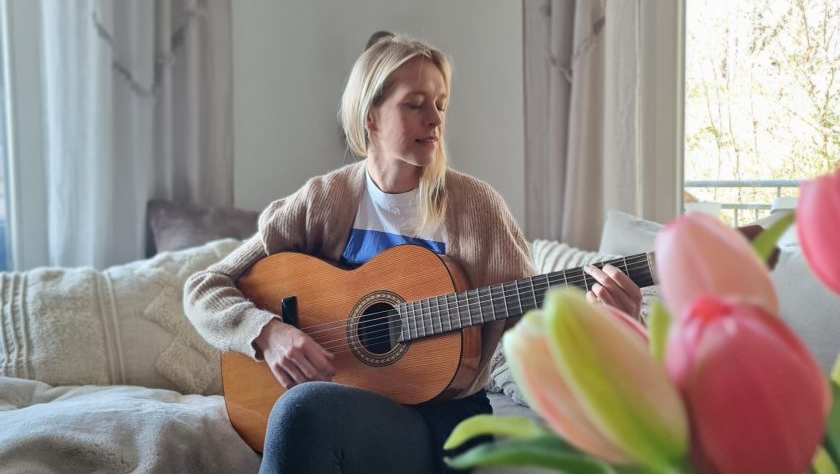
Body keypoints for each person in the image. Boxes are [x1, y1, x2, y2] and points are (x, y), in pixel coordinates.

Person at [184, 34, 643, 474]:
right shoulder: (323, 200)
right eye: (415, 104)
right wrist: (269, 334)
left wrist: (613, 322)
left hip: (440, 421)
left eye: (441, 104)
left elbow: (538, 329)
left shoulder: (477, 209)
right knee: (302, 407)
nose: (435, 118)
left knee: (303, 409)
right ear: (371, 117)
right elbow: (204, 288)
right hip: (340, 405)